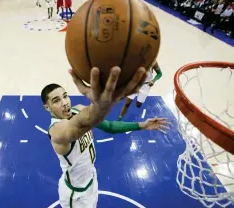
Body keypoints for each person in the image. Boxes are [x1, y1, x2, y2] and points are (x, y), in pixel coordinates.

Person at [41, 66, 170, 208]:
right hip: (75, 196)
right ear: (47, 107)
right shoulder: (56, 132)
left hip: (91, 180)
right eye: (56, 100)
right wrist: (99, 105)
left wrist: (141, 125)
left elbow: (109, 126)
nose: (65, 103)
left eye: (65, 96)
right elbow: (74, 128)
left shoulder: (78, 109)